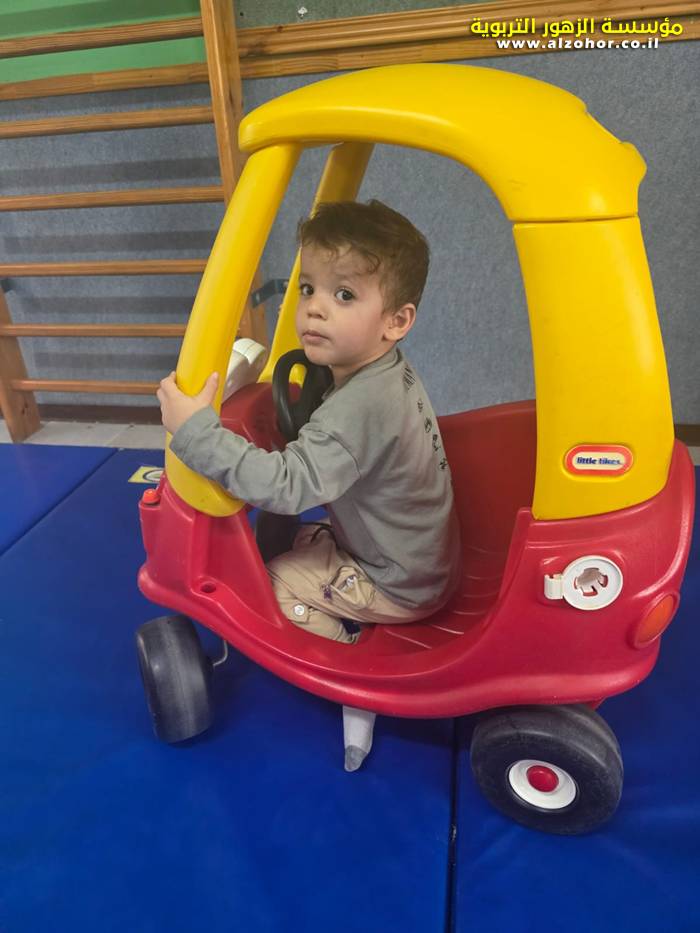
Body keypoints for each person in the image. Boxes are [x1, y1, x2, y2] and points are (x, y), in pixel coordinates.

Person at [157, 199, 462, 646]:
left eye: (344, 295)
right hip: (419, 560)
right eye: (307, 288)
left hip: (400, 584)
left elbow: (286, 487)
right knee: (292, 538)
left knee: (273, 586)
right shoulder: (385, 372)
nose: (315, 308)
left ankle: (350, 657)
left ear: (397, 321)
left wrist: (196, 433)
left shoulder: (357, 407)